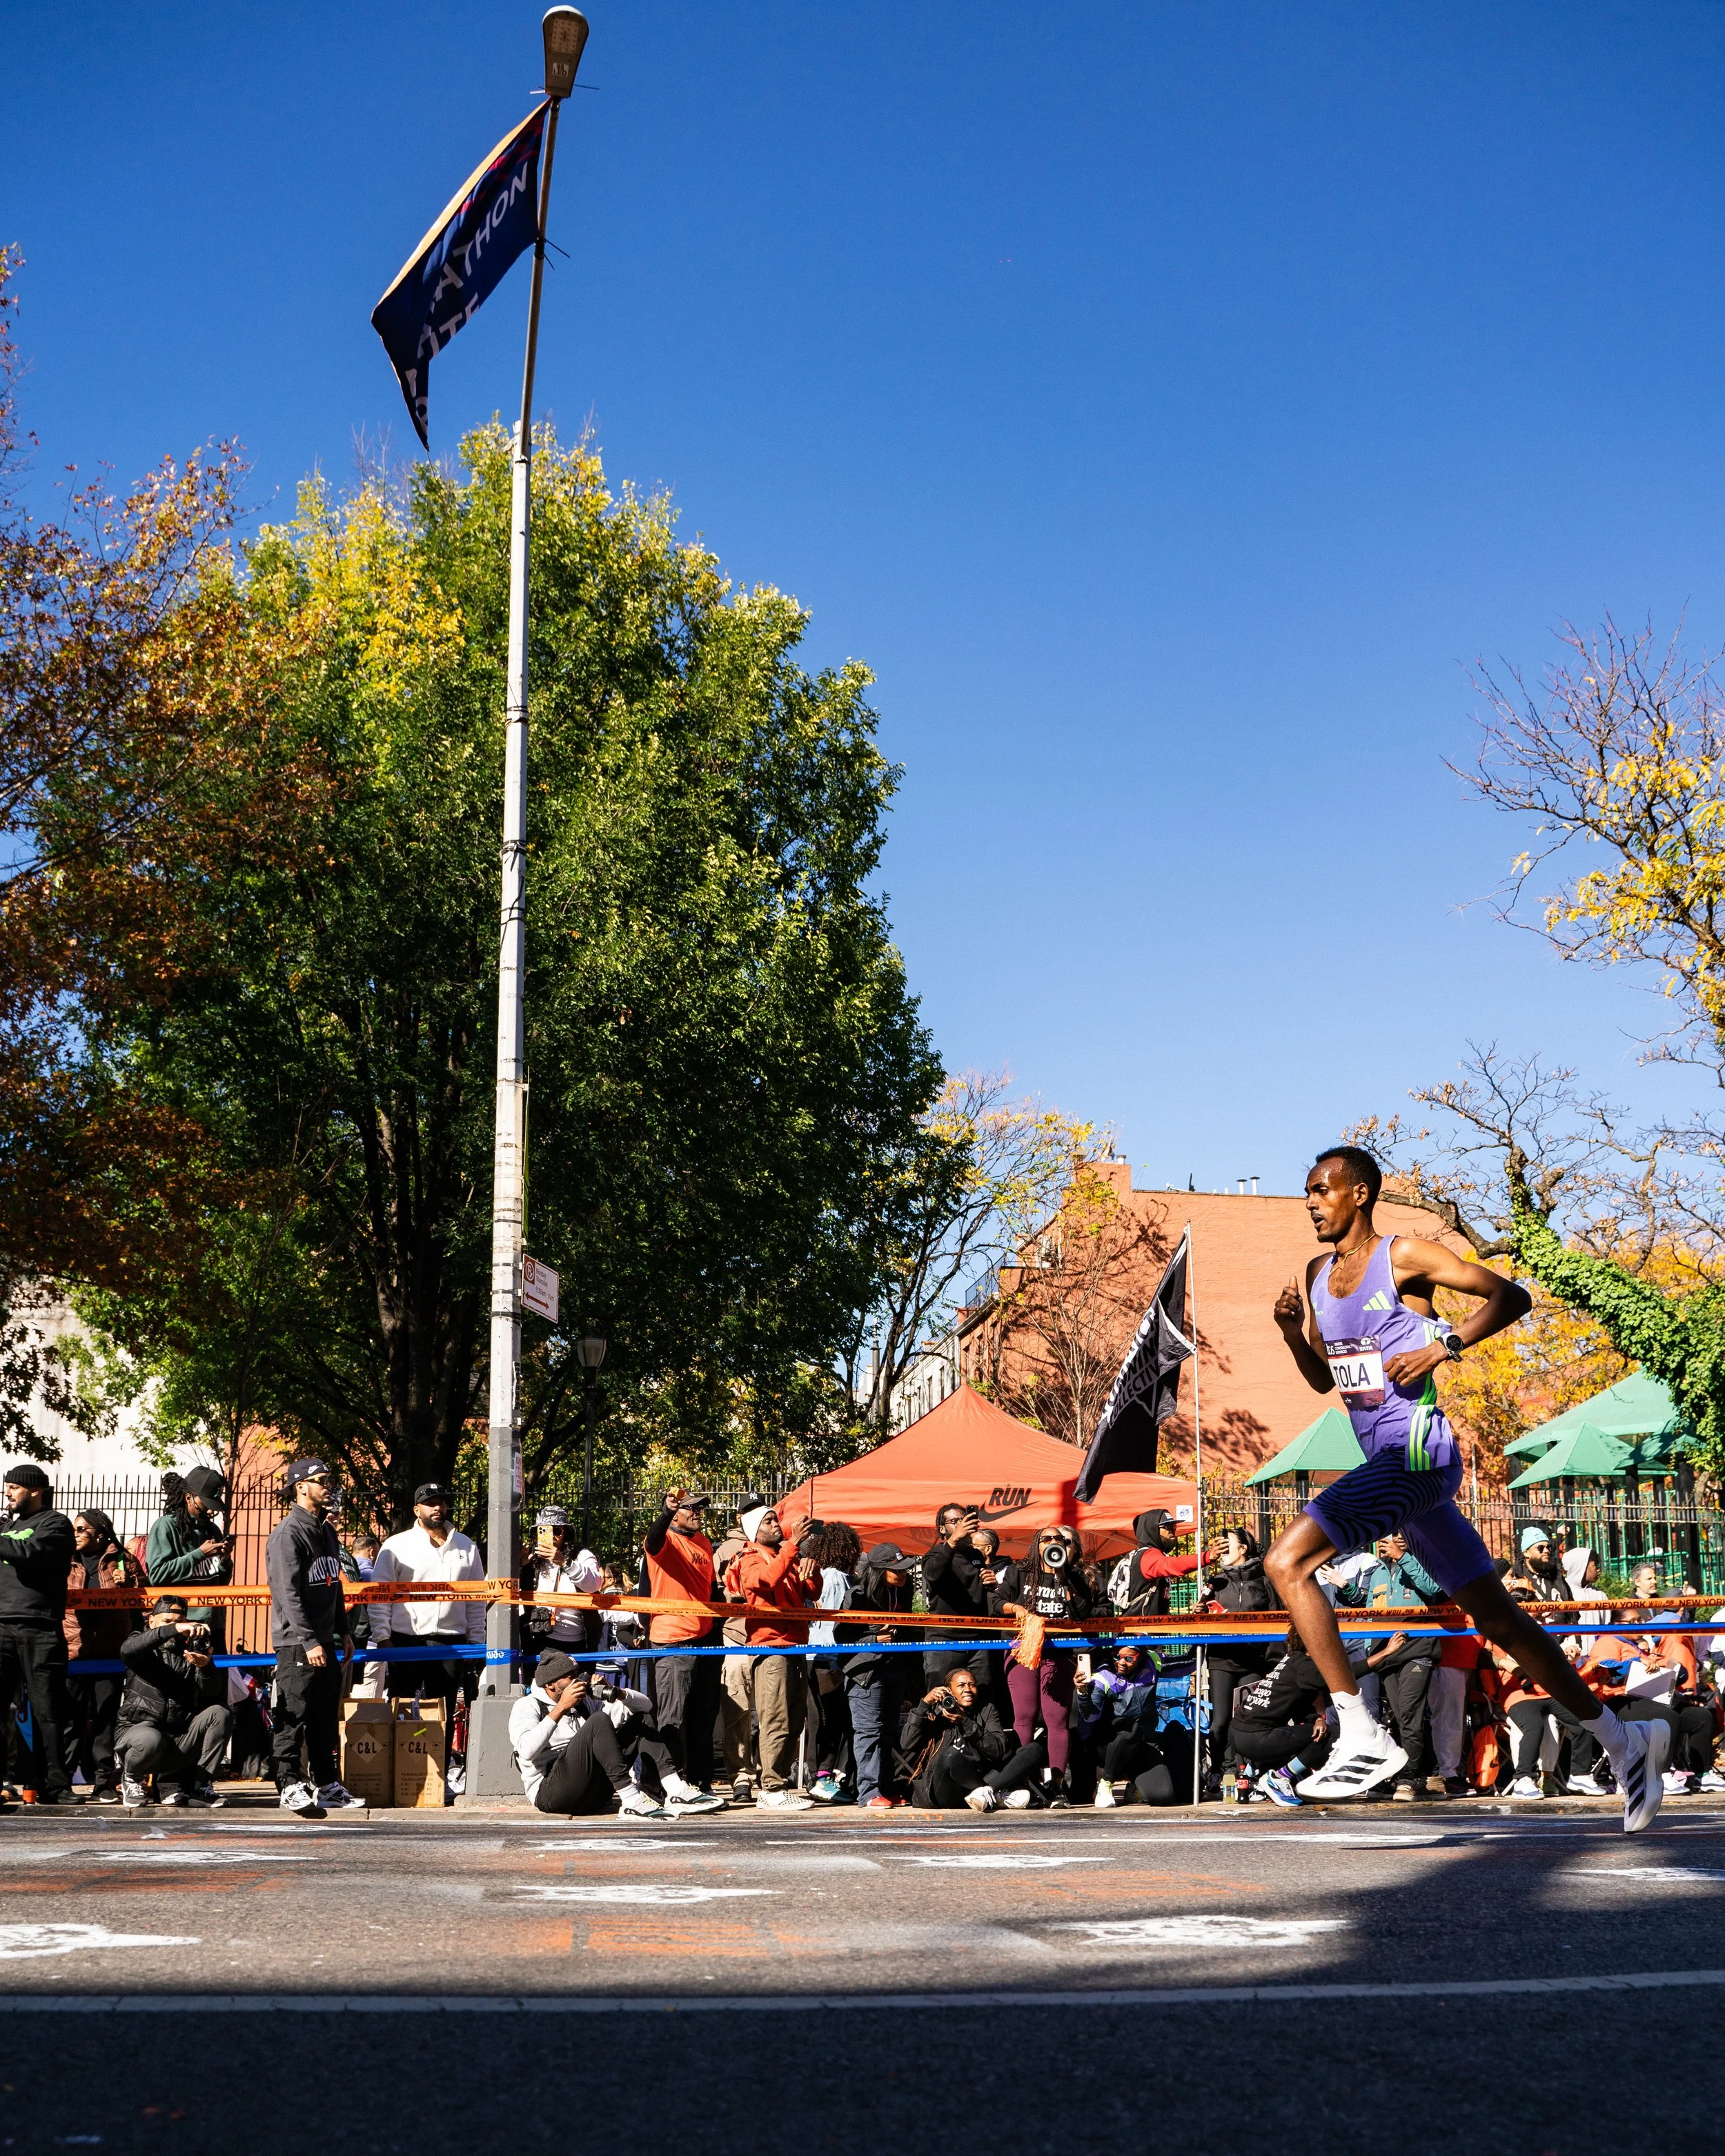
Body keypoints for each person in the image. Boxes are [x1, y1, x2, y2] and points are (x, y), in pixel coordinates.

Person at [1266, 1145, 1668, 1829]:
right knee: (1501, 1620)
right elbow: (1322, 1379)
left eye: (1321, 1190)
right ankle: (1622, 1740)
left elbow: (1511, 1295)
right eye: (1307, 1191)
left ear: (1358, 1193)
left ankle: (1359, 1730)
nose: (1311, 1201)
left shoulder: (1406, 1257)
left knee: (1286, 1560)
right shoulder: (1315, 1274)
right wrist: (1288, 1332)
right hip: (1392, 1465)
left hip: (1418, 1454)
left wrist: (1443, 1343)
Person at [266, 1458, 365, 1818]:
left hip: (326, 1640)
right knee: (294, 1713)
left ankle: (326, 1785)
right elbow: (288, 1594)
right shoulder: (287, 1534)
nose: (329, 1486)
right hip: (298, 1643)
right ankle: (289, 1783)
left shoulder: (326, 1531)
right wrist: (309, 1642)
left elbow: (334, 1585)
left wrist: (344, 1631)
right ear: (301, 1486)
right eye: (321, 1480)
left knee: (324, 1716)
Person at [371, 1482, 486, 1744]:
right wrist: (382, 1637)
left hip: (451, 1641)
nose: (438, 1507)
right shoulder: (396, 1546)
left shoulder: (466, 1546)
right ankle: (397, 1769)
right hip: (406, 1638)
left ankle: (440, 1776)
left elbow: (476, 1599)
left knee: (442, 1711)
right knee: (401, 1707)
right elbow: (380, 1595)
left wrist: (475, 1641)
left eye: (442, 1502)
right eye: (431, 1503)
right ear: (416, 1509)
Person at [724, 1502, 818, 1810]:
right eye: (768, 1521)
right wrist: (792, 1547)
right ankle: (771, 1788)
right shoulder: (747, 1557)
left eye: (776, 1519)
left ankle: (778, 1782)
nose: (776, 1525)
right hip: (769, 1648)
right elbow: (764, 1581)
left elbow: (811, 1593)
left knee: (795, 1719)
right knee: (775, 1718)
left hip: (796, 1646)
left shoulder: (787, 1555)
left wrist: (811, 1571)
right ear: (754, 1530)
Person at [640, 1487, 729, 1813]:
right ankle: (664, 1786)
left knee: (703, 1718)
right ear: (675, 1513)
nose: (697, 1513)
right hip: (673, 1640)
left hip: (705, 1640)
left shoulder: (704, 1543)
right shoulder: (664, 1542)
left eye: (700, 1509)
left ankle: (699, 1783)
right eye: (690, 1508)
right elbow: (652, 1539)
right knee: (671, 1719)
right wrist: (664, 1512)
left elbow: (706, 1589)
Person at [993, 1525, 1093, 1803]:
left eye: (1058, 1539)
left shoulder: (1073, 1577)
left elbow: (1082, 1613)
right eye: (1046, 1539)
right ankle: (1023, 1779)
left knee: (1057, 1720)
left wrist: (1064, 1578)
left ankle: (1057, 1784)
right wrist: (1016, 1608)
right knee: (1024, 1716)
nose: (1052, 1543)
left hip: (1058, 1654)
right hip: (1023, 1651)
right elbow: (995, 1601)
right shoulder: (1019, 1572)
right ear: (1037, 1544)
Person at [509, 1648, 667, 1819]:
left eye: (577, 1675)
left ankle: (674, 1789)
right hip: (551, 1794)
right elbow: (526, 1752)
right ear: (550, 1684)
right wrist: (561, 1708)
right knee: (598, 1720)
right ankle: (632, 1800)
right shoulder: (527, 1705)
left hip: (593, 1793)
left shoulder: (584, 1704)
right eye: (570, 1677)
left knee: (641, 1719)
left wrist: (615, 1691)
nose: (577, 1682)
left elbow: (646, 1707)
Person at [0, 1462, 78, 1804]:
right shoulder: (5, 1527)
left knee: (49, 1711)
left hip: (40, 1627)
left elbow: (29, 1553)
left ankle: (56, 1785)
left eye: (14, 1488)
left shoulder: (56, 1524)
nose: (8, 1494)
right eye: (6, 1488)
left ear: (35, 1490)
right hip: (1, 1626)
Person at [1346, 1532, 1443, 1800]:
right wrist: (1369, 1645)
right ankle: (1428, 1776)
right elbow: (1368, 1609)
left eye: (1397, 1536)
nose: (1389, 1540)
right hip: (1385, 1653)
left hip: (1417, 1647)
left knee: (1411, 1715)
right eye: (1386, 1536)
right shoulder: (1376, 1572)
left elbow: (1434, 1590)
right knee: (1401, 1719)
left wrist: (1404, 1558)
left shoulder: (1420, 1562)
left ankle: (1408, 1779)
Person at [115, 1596, 234, 1811]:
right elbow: (127, 1650)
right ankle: (132, 1780)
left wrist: (206, 1667)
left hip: (177, 1742)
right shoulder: (140, 1645)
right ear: (151, 1622)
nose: (174, 1627)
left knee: (219, 1713)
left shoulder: (189, 1651)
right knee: (151, 1738)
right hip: (139, 1735)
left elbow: (212, 1693)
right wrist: (174, 1628)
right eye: (167, 1621)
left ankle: (201, 1786)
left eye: (179, 1621)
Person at [63, 1508, 145, 1803]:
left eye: (81, 1529)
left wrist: (130, 1586)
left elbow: (144, 1604)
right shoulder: (64, 1560)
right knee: (70, 1719)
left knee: (105, 1719)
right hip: (74, 1652)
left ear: (99, 1533)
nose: (76, 1534)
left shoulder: (123, 1561)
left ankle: (103, 1782)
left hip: (110, 1653)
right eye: (74, 1528)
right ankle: (63, 1782)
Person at [897, 1667, 1042, 1810]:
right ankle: (995, 1796)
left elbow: (998, 1751)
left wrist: (966, 1722)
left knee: (1033, 1749)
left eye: (972, 1685)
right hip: (946, 1790)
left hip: (980, 1779)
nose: (968, 1689)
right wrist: (924, 1705)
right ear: (949, 1691)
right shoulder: (935, 1712)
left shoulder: (986, 1710)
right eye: (961, 1685)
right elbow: (907, 1744)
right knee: (950, 1754)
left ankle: (988, 1793)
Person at [840, 1541, 916, 1811]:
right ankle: (868, 1793)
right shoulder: (857, 1595)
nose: (904, 1574)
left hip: (895, 1668)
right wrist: (873, 1637)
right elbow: (842, 1636)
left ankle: (887, 1788)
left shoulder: (904, 1591)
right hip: (865, 1674)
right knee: (868, 1733)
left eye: (906, 1568)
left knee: (886, 1733)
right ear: (879, 1570)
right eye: (897, 1569)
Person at [1198, 1527, 1275, 1791]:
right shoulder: (1216, 1581)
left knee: (1245, 1719)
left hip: (1253, 1659)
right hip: (1221, 1658)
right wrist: (1200, 1612)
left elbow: (1277, 1618)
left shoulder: (1264, 1581)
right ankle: (1219, 1768)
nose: (1221, 1550)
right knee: (1220, 1722)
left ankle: (1242, 1773)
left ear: (1243, 1549)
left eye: (1227, 1544)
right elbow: (1201, 1615)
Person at [1229, 1625, 1336, 1807]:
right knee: (1333, 1733)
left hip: (1238, 1734)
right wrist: (1379, 1658)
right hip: (1256, 1738)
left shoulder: (1288, 1662)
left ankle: (1274, 1778)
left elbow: (1297, 1707)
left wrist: (1317, 1719)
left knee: (1309, 1732)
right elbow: (1338, 1678)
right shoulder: (1303, 1664)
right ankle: (1279, 1777)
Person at [1076, 1643, 1184, 1806]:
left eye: (1129, 1658)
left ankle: (1134, 1785)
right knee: (1130, 1729)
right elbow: (1091, 1716)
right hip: (1108, 1746)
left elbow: (1189, 1663)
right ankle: (1105, 1785)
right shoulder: (1103, 1674)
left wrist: (1204, 1632)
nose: (1121, 1662)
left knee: (1163, 1796)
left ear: (1140, 1658)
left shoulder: (1153, 1663)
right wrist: (1083, 1693)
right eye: (1117, 1657)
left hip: (1141, 1746)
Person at [802, 1519, 860, 1803]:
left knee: (829, 1719)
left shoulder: (833, 1576)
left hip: (820, 1656)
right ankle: (821, 1777)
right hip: (827, 1657)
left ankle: (825, 1775)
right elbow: (831, 1623)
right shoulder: (835, 1578)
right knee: (828, 1719)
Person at [711, 1495, 763, 1803]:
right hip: (737, 1637)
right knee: (738, 1711)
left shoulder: (777, 1548)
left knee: (771, 1714)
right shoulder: (726, 1551)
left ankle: (770, 1779)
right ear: (741, 1518)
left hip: (772, 1640)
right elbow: (716, 1593)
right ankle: (741, 1778)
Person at [920, 1503, 992, 1686]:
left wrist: (992, 1583)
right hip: (944, 1641)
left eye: (963, 1519)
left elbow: (983, 1593)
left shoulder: (975, 1555)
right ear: (942, 1529)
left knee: (980, 1695)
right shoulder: (933, 1555)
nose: (961, 1524)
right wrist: (953, 1542)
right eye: (955, 1521)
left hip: (977, 1639)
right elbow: (933, 1575)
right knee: (941, 1697)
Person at [1111, 1508, 1205, 1617]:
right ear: (1152, 1530)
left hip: (1149, 1629)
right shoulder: (1148, 1556)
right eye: (1167, 1527)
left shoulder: (1155, 1555)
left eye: (1173, 1526)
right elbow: (1175, 1565)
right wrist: (1209, 1556)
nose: (1172, 1530)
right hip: (1139, 1631)